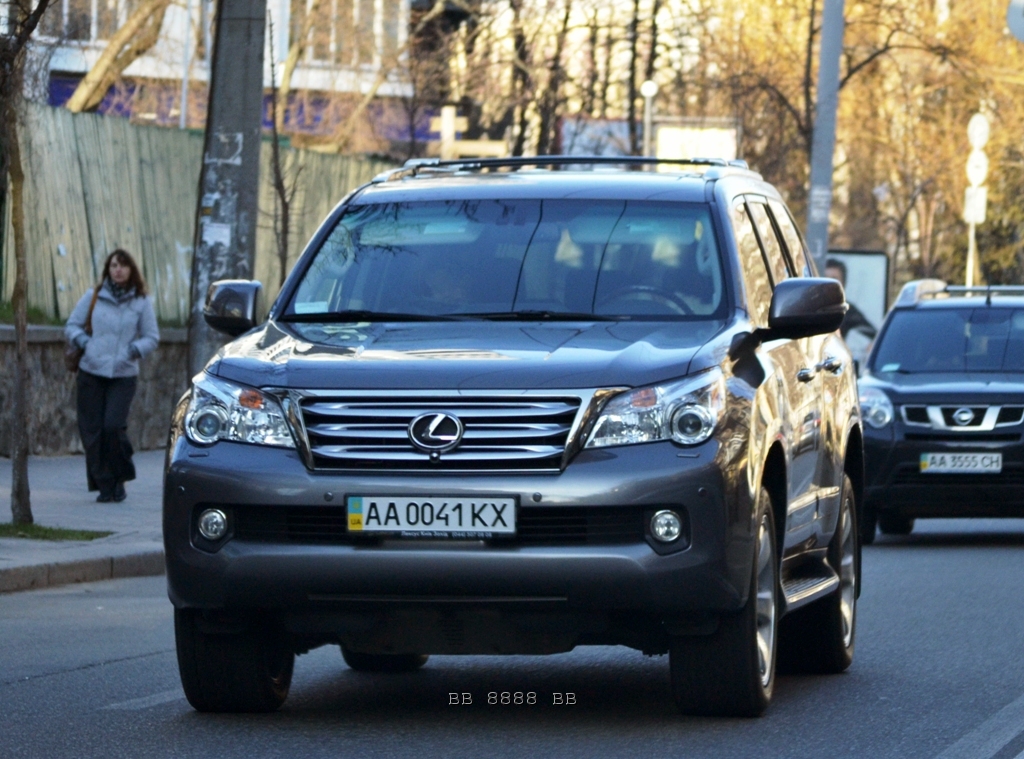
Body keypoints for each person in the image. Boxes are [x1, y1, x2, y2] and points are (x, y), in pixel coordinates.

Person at [65, 249, 159, 502]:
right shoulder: (93, 296)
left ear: (131, 270)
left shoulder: (141, 301)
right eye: (114, 265)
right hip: (91, 370)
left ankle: (121, 473)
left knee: (113, 427)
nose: (118, 269)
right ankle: (107, 486)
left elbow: (152, 337)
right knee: (92, 432)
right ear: (107, 269)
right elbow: (72, 325)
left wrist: (133, 350)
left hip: (123, 373)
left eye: (123, 265)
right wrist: (86, 343)